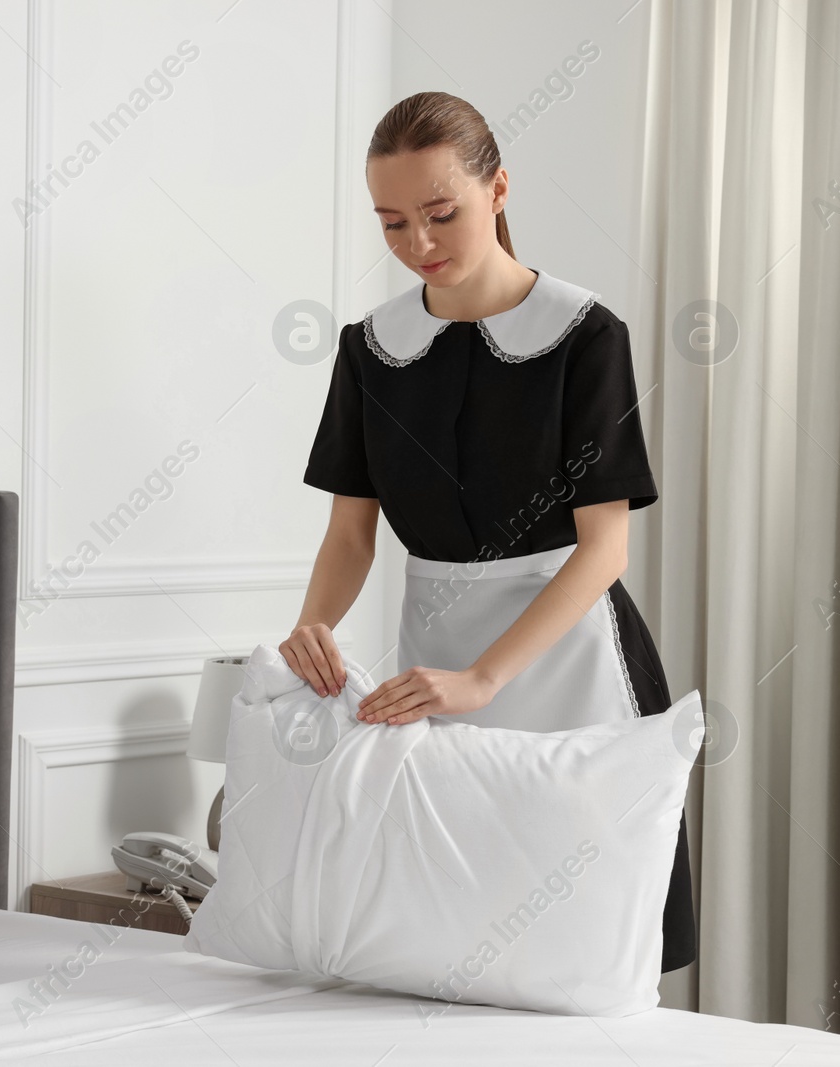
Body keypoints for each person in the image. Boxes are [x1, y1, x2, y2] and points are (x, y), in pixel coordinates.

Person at [283, 91, 695, 974]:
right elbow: (351, 534)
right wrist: (313, 625)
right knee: (453, 934)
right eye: (392, 223)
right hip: (429, 661)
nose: (418, 245)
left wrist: (483, 676)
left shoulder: (585, 335)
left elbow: (605, 549)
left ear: (498, 189)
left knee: (588, 942)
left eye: (442, 214)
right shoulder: (371, 349)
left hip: (570, 661)